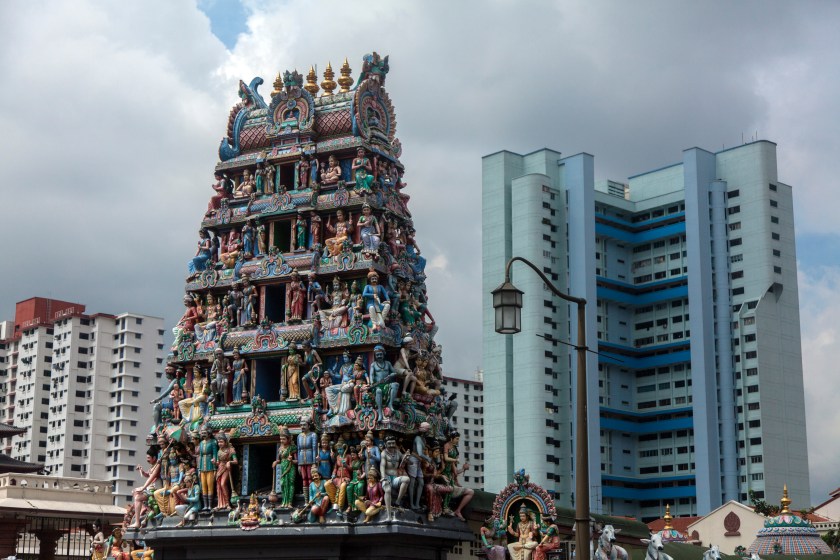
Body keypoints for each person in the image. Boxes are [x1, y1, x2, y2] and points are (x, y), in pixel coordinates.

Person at [370, 345, 399, 420]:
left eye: (380, 354)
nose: (379, 356)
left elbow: (395, 372)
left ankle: (390, 404)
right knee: (379, 391)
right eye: (377, 355)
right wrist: (373, 384)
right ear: (375, 356)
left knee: (395, 384)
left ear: (383, 354)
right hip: (377, 385)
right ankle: (379, 412)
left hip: (386, 385)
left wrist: (392, 375)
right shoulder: (373, 365)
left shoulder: (388, 363)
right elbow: (371, 376)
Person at [272, 428, 297, 508]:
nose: (282, 441)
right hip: (283, 467)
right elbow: (279, 460)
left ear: (288, 439)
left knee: (290, 483)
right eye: (281, 439)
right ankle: (284, 502)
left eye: (284, 439)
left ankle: (289, 502)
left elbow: (297, 461)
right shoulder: (280, 448)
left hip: (290, 467)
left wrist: (291, 460)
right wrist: (276, 462)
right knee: (283, 484)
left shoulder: (292, 448)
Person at [213, 432, 238, 510]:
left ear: (225, 442)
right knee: (218, 486)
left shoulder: (231, 450)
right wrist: (214, 462)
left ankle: (228, 504)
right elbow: (218, 463)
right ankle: (220, 504)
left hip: (226, 468)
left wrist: (229, 462)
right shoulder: (219, 451)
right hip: (220, 468)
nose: (219, 444)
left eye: (221, 442)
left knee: (223, 484)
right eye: (218, 442)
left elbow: (236, 461)